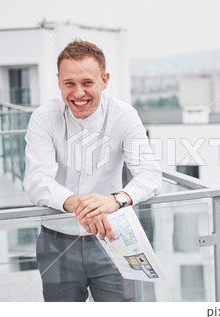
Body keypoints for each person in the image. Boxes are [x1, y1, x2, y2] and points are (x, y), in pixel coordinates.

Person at [23, 39, 162, 302]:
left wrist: (114, 200)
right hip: (56, 242)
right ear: (58, 81)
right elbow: (36, 180)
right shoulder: (43, 117)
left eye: (87, 83)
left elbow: (150, 175)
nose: (78, 93)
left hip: (112, 237)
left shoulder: (125, 115)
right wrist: (78, 204)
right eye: (69, 83)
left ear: (104, 80)